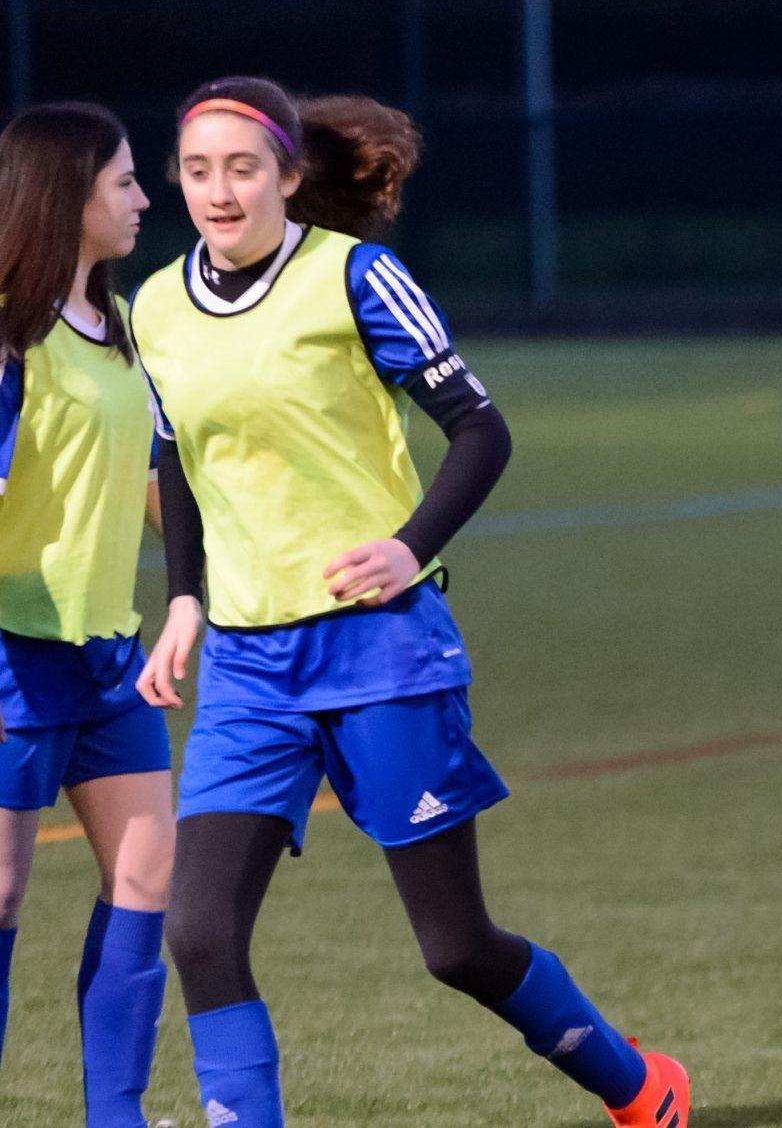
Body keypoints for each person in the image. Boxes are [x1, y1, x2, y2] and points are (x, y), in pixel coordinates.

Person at [129, 75, 688, 1128]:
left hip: (380, 652)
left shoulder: (356, 278)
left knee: (455, 948)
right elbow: (175, 462)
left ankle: (643, 1086)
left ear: (290, 178)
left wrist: (406, 545)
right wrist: (187, 601)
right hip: (249, 668)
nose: (218, 189)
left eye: (243, 167)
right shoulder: (157, 304)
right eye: (196, 169)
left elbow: (482, 430)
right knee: (199, 931)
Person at [0, 101, 174, 1127]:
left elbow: (158, 486)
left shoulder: (118, 333)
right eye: (125, 182)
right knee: (4, 896)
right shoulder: (9, 341)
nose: (145, 198)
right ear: (69, 196)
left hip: (110, 657)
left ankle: (117, 1115)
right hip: (14, 657)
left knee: (149, 871)